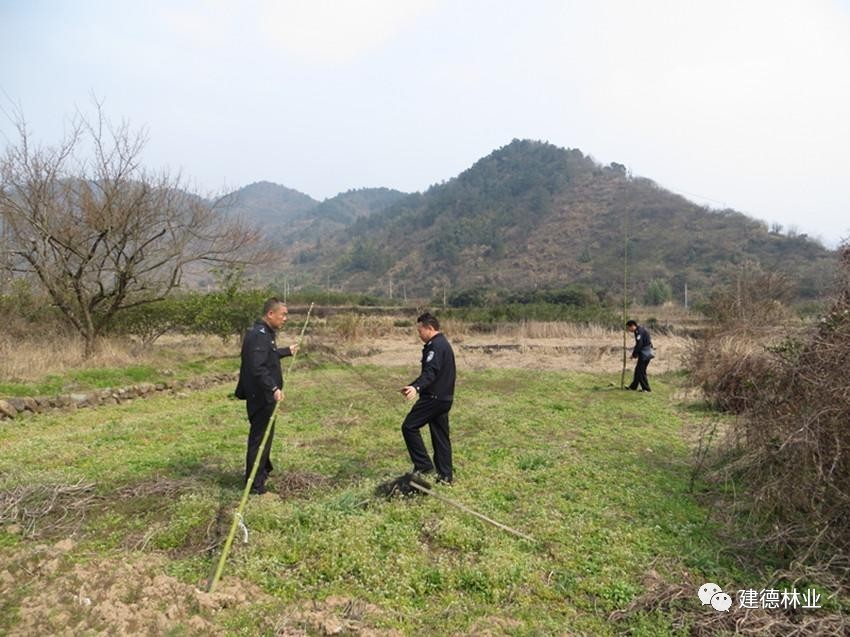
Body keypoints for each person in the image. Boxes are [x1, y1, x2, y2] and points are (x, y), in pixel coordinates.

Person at [235, 298, 299, 494]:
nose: (285, 319)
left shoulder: (265, 334)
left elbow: (267, 356)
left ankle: (264, 470)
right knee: (259, 439)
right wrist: (273, 388)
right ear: (271, 314)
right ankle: (255, 485)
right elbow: (257, 367)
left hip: (265, 395)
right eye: (283, 314)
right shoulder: (258, 335)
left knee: (265, 435)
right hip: (261, 395)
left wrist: (286, 351)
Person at [399, 312, 456, 484]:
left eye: (420, 331)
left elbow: (431, 372)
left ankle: (423, 466)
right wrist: (413, 385)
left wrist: (416, 388)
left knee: (409, 427)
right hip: (445, 398)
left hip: (434, 398)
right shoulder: (442, 344)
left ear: (429, 328)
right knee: (440, 437)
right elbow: (430, 374)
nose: (419, 335)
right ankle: (445, 476)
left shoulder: (435, 347)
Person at [626, 319, 653, 392]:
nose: (629, 330)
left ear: (632, 326)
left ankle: (646, 389)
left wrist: (634, 354)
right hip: (644, 352)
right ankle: (633, 387)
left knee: (641, 371)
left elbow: (639, 345)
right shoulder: (638, 331)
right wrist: (635, 354)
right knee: (638, 370)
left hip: (645, 353)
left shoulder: (639, 332)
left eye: (628, 328)